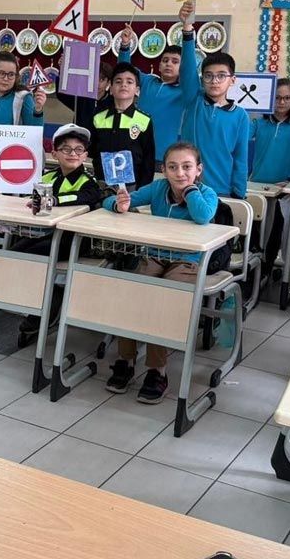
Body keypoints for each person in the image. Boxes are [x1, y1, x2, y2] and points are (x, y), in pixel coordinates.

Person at [103, 142, 218, 404]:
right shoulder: (158, 188)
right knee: (134, 293)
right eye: (173, 167)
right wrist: (119, 204)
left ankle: (157, 371)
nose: (180, 173)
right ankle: (126, 360)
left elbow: (203, 216)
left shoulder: (206, 193)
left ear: (199, 170)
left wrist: (189, 190)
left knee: (161, 300)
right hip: (155, 255)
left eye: (187, 167)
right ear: (163, 170)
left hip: (187, 261)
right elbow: (113, 201)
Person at [14, 124, 106, 341]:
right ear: (54, 153)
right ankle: (38, 300)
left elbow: (84, 198)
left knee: (32, 255)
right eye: (66, 149)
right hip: (46, 234)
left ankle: (50, 303)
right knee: (15, 252)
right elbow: (27, 197)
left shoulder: (89, 182)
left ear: (85, 155)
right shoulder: (47, 178)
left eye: (78, 149)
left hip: (75, 241)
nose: (73, 153)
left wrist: (54, 200)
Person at [115, 1, 199, 156]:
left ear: (182, 67)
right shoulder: (148, 81)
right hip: (136, 150)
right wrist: (125, 45)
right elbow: (124, 72)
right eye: (165, 60)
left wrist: (187, 29)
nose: (169, 64)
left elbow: (190, 70)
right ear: (159, 66)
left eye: (175, 62)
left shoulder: (185, 91)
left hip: (164, 155)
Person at [250, 78, 290, 275]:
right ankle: (252, 271)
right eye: (276, 98)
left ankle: (265, 272)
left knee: (275, 232)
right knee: (254, 231)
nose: (281, 102)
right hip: (257, 187)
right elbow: (241, 137)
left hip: (281, 190)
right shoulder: (258, 123)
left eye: (286, 98)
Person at [179, 47, 248, 199]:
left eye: (221, 76)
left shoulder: (240, 115)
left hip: (221, 191)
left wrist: (239, 193)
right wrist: (188, 34)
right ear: (201, 79)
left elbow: (240, 158)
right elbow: (187, 70)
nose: (214, 81)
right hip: (186, 186)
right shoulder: (194, 101)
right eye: (208, 76)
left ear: (232, 80)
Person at [90, 62, 157, 188]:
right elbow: (93, 152)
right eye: (118, 81)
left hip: (132, 187)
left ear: (137, 90)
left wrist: (142, 191)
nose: (123, 85)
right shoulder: (98, 118)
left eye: (129, 82)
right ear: (110, 88)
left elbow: (148, 160)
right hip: (102, 184)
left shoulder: (144, 120)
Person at [0, 52, 46, 125]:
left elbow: (34, 129)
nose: (6, 78)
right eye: (1, 73)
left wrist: (38, 109)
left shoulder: (23, 97)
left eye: (11, 74)